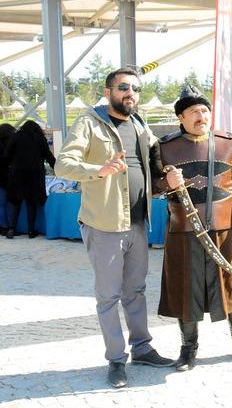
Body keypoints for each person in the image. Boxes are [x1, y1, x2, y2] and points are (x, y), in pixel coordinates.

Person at [56, 68, 174, 388]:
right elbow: (63, 163)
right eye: (123, 87)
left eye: (135, 88)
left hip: (137, 222)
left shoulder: (139, 123)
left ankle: (142, 348)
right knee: (109, 296)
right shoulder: (89, 122)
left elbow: (159, 156)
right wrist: (100, 169)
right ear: (108, 92)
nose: (130, 93)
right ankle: (116, 359)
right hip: (104, 224)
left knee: (134, 291)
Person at [156, 86, 232, 371]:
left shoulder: (229, 143)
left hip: (225, 229)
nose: (200, 116)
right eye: (193, 112)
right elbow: (152, 186)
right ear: (181, 117)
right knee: (185, 290)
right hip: (183, 231)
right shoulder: (164, 147)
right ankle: (188, 350)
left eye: (204, 111)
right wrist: (165, 183)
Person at [5, 121, 55, 239]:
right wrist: (58, 168)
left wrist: (8, 166)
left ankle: (11, 229)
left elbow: (8, 155)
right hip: (35, 175)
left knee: (15, 202)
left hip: (17, 174)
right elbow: (48, 156)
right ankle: (31, 231)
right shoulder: (39, 138)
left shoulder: (15, 136)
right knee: (31, 203)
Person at [0, 123, 16, 237]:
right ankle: (11, 227)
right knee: (10, 203)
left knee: (1, 204)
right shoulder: (12, 144)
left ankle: (3, 227)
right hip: (10, 177)